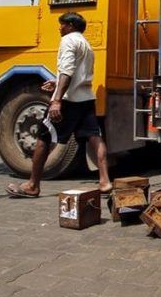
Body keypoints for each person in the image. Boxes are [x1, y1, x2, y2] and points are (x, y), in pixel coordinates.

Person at [6, 12, 112, 198]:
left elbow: (68, 71)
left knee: (43, 138)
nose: (59, 28)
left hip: (69, 100)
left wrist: (56, 100)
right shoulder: (86, 45)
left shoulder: (68, 41)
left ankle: (32, 185)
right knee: (94, 137)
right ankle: (104, 182)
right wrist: (56, 82)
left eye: (62, 24)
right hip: (86, 98)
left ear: (70, 25)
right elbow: (79, 73)